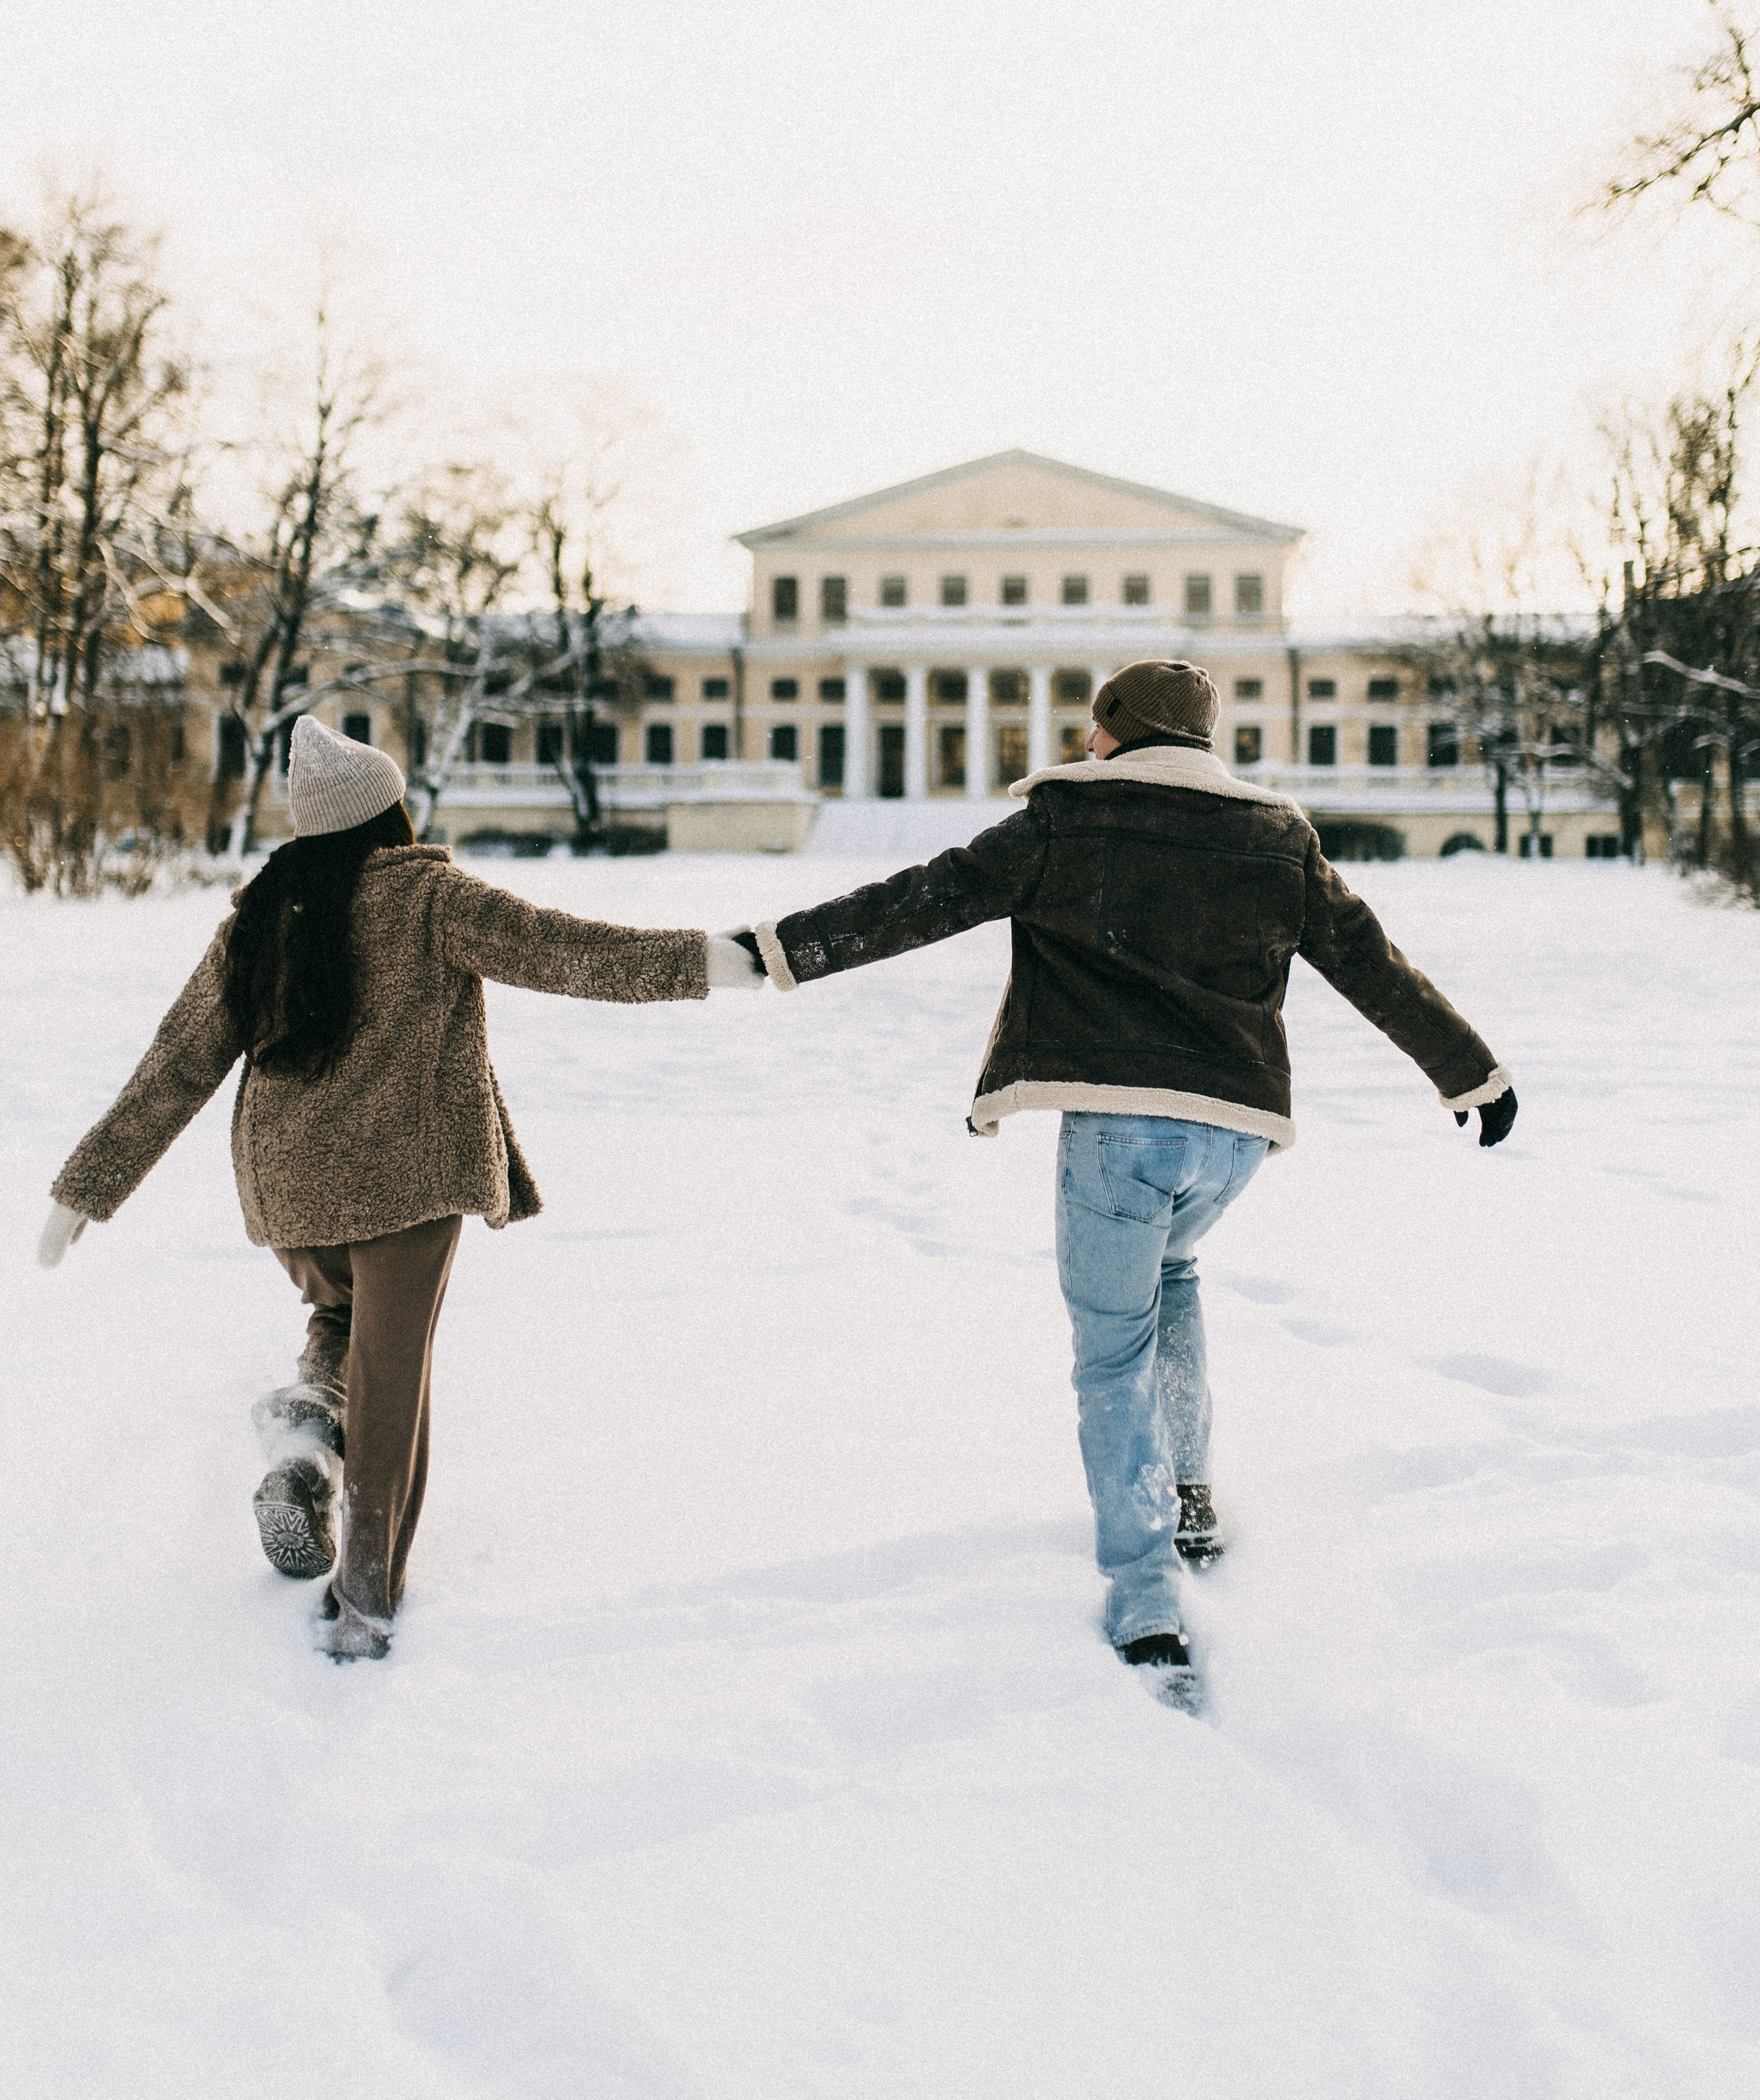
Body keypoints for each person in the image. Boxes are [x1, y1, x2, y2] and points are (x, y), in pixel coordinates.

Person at [731, 659, 1517, 1710]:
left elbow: (924, 901)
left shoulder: (1064, 822)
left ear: (1117, 730)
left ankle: (1146, 1597)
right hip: (1233, 1138)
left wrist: (779, 950)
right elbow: (1369, 959)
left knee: (1111, 1356)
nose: (1084, 742)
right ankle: (1189, 1498)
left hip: (1119, 1130)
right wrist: (1469, 1069)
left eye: (1095, 726)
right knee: (1175, 1280)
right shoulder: (1275, 836)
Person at [39, 714, 761, 1660]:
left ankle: (305, 1434)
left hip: (289, 1188)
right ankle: (364, 1604)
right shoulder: (426, 896)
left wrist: (85, 1189)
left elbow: (179, 1061)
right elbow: (566, 951)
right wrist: (710, 960)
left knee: (343, 1323)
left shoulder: (262, 916)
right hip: (403, 1179)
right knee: (392, 1374)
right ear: (392, 817)